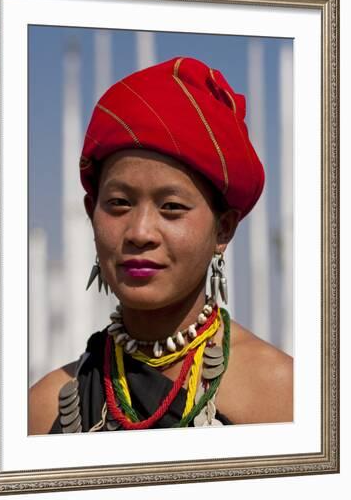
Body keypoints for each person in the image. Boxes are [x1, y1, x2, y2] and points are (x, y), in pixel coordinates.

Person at [29, 56, 293, 434]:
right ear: (91, 213)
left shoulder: (286, 397)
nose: (139, 232)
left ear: (223, 229)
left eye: (171, 208)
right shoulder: (43, 409)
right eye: (118, 203)